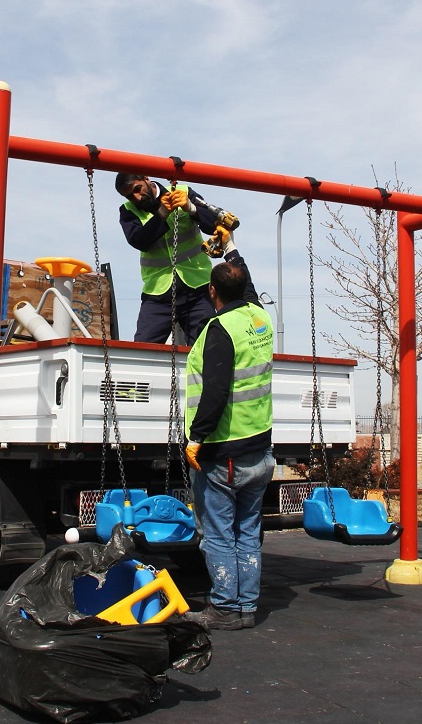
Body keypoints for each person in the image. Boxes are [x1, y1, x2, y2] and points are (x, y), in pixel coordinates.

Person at [181, 228, 274, 631]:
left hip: (224, 452)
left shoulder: (219, 331)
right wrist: (231, 245)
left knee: (218, 533)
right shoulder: (258, 317)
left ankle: (224, 607)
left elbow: (215, 392)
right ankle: (247, 606)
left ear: (213, 294)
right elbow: (246, 282)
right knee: (248, 531)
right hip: (259, 450)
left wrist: (196, 438)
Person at [114, 173, 237, 345]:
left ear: (146, 179)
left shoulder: (183, 191)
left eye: (137, 189)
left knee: (207, 347)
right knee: (141, 350)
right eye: (129, 196)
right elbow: (139, 241)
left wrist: (191, 208)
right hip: (158, 293)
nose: (136, 197)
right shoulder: (128, 211)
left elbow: (213, 223)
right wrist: (162, 214)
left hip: (197, 288)